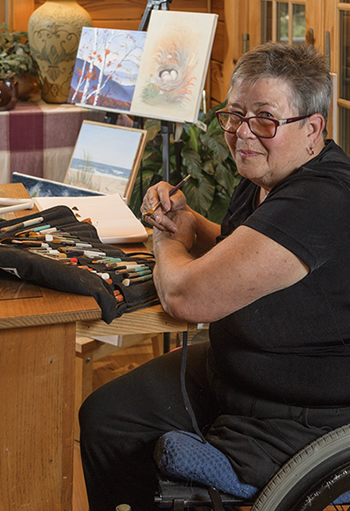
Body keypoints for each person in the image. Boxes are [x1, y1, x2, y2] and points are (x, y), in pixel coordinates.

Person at [79, 42, 350, 511]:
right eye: (235, 115)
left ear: (313, 129)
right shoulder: (266, 172)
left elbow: (185, 296)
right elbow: (244, 248)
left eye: (264, 118)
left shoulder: (320, 201)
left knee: (132, 438)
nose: (243, 134)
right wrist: (191, 225)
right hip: (237, 371)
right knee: (107, 417)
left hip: (297, 414)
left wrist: (165, 238)